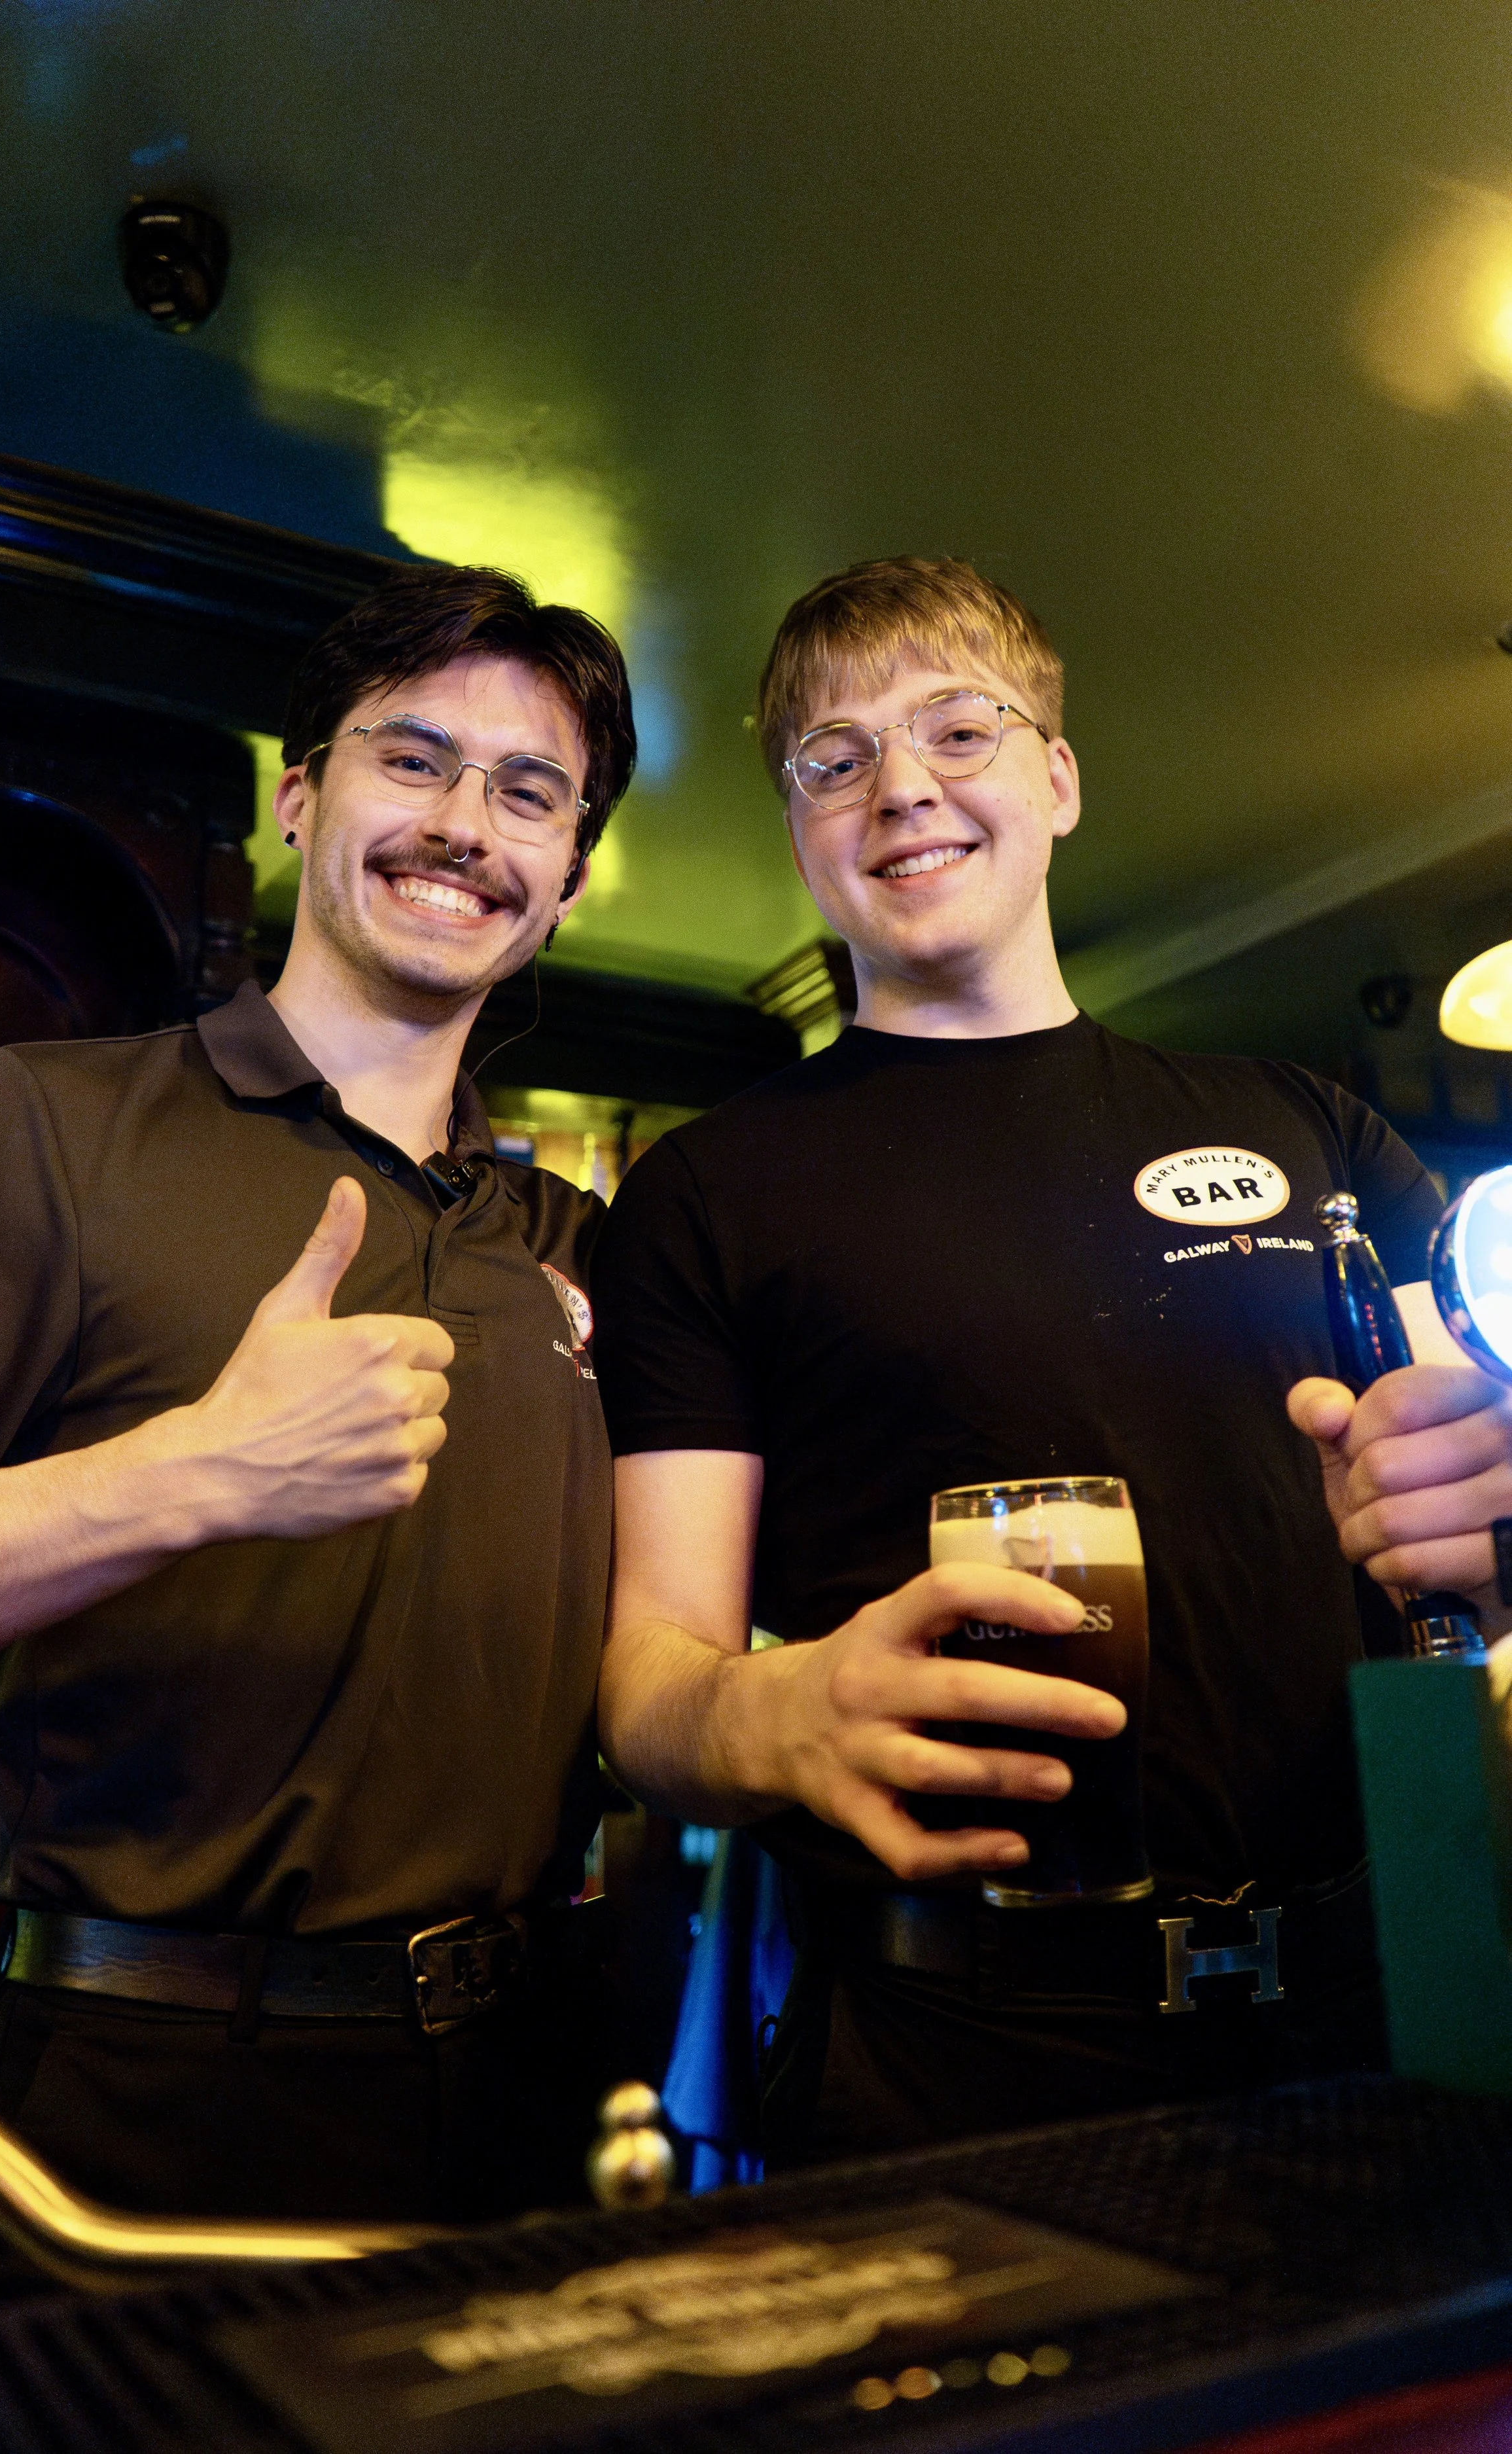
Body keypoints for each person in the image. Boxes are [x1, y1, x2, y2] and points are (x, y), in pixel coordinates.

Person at [591, 553, 1512, 2168]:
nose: (898, 791)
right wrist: (774, 1714)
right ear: (797, 825)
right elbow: (645, 1686)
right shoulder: (704, 1194)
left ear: (1058, 778)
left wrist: (1492, 1533)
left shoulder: (1308, 1130)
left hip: (1380, 2012)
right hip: (949, 2054)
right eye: (832, 759)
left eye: (958, 730)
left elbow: (1469, 1530)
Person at [0, 563, 635, 2295]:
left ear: (567, 879)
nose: (465, 825)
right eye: (412, 760)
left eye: (528, 792)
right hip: (136, 2097)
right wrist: (188, 1473)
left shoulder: (580, 1256)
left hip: (527, 2096)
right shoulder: (46, 1125)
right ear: (301, 796)